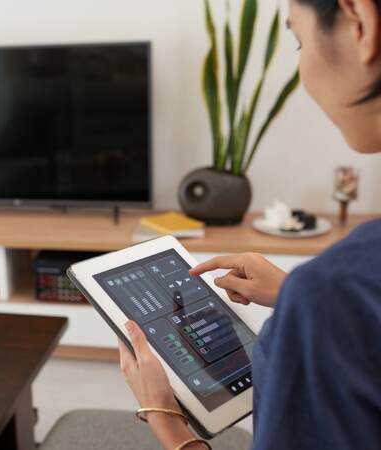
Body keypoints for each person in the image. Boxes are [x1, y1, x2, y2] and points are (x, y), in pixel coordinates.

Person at [118, 0, 381, 449]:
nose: (302, 69)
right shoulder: (343, 292)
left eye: (299, 40)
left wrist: (165, 418)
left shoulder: (336, 293)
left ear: (360, 22)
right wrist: (294, 297)